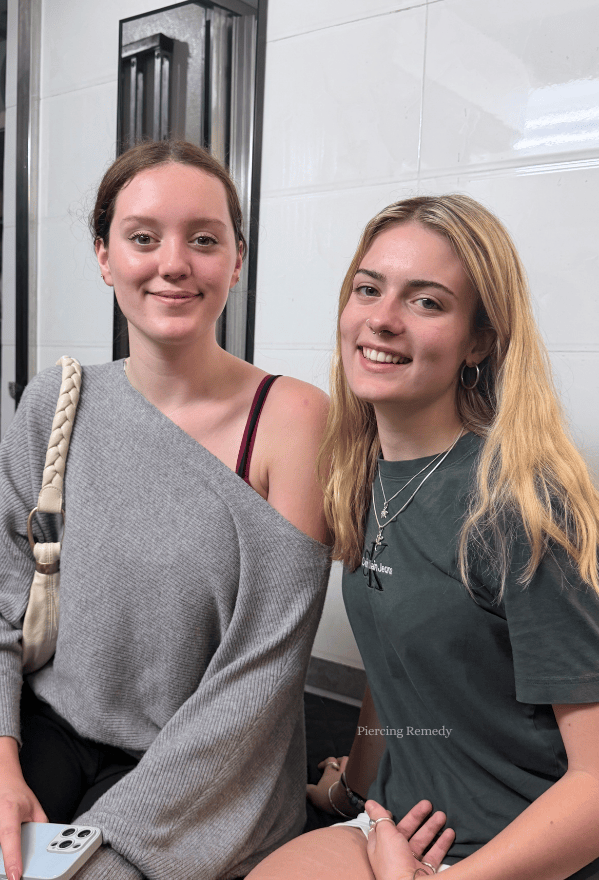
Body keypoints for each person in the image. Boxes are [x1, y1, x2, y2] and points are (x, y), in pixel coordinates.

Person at [0, 140, 331, 880]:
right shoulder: (57, 403)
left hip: (211, 771)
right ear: (104, 256)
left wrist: (90, 846)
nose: (173, 263)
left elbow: (259, 679)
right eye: (143, 238)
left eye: (204, 239)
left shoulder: (294, 419)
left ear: (237, 261)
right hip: (50, 728)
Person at [247, 194, 599, 880]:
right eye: (369, 288)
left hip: (512, 853)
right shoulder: (363, 474)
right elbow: (397, 671)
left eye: (427, 302)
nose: (382, 318)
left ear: (480, 340)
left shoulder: (520, 504)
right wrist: (354, 787)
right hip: (400, 824)